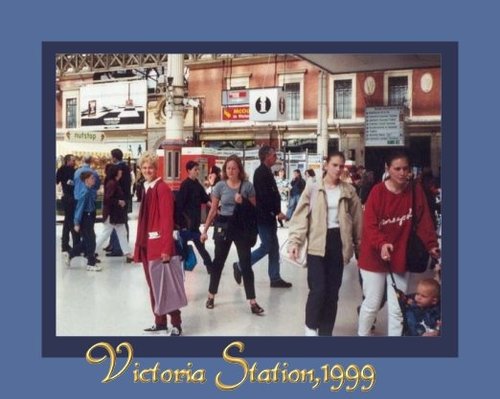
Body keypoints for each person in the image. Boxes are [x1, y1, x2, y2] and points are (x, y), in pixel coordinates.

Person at [357, 150, 440, 336]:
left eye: (406, 169)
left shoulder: (415, 190)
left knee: (397, 308)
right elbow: (369, 226)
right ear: (388, 169)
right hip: (373, 258)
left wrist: (431, 244)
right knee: (372, 303)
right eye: (397, 169)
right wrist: (382, 244)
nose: (403, 173)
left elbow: (424, 221)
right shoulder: (377, 192)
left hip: (400, 256)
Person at [287, 151, 363, 336]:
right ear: (326, 165)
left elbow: (357, 220)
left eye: (341, 166)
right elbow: (300, 217)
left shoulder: (349, 191)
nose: (338, 169)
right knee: (318, 289)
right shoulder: (313, 188)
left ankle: (326, 333)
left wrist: (359, 246)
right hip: (317, 243)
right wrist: (295, 242)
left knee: (332, 293)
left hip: (339, 243)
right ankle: (311, 328)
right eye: (334, 165)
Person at [201, 155, 264, 314]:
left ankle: (252, 301)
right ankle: (211, 295)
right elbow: (213, 210)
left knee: (246, 264)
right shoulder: (220, 186)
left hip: (241, 227)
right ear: (225, 170)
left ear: (239, 170)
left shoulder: (248, 186)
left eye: (234, 168)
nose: (231, 171)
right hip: (224, 225)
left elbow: (255, 210)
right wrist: (205, 230)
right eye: (228, 168)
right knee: (218, 262)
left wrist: (243, 200)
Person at [133, 151, 183, 336]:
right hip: (147, 244)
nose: (147, 170)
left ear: (156, 168)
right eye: (144, 168)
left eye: (150, 167)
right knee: (153, 285)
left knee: (166, 285)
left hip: (158, 246)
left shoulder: (162, 189)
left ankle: (176, 323)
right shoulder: (146, 187)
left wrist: (166, 248)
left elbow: (167, 221)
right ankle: (160, 321)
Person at [233, 146, 291, 288]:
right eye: (273, 154)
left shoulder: (267, 172)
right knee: (266, 246)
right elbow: (264, 197)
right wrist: (276, 212)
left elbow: (271, 195)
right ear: (266, 156)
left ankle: (275, 277)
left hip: (269, 216)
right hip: (264, 216)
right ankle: (241, 265)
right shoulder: (261, 173)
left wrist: (276, 211)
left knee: (274, 247)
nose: (275, 157)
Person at [175, 160, 213, 274]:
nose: (197, 172)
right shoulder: (185, 185)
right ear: (188, 171)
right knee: (188, 244)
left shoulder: (197, 184)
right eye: (195, 170)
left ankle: (208, 265)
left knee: (199, 244)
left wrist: (214, 207)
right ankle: (188, 264)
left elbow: (205, 198)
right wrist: (180, 222)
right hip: (186, 222)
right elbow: (179, 205)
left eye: (198, 170)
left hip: (194, 221)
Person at [95, 165, 134, 263]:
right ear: (116, 173)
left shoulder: (113, 183)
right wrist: (119, 202)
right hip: (113, 215)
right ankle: (91, 250)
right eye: (119, 171)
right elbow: (108, 199)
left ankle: (128, 253)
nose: (121, 172)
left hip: (114, 214)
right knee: (108, 234)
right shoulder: (113, 184)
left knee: (121, 233)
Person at [64, 171, 101, 271]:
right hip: (86, 218)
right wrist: (76, 222)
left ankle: (71, 254)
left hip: (89, 216)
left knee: (88, 240)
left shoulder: (89, 190)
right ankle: (91, 263)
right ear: (87, 180)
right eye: (92, 178)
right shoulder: (84, 193)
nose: (94, 179)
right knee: (91, 241)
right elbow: (79, 208)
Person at [106, 148, 132, 257]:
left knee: (118, 222)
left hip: (120, 199)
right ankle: (115, 245)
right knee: (119, 223)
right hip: (124, 198)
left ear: (115, 157)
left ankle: (117, 248)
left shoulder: (119, 168)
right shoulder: (126, 167)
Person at [56, 154, 78, 253]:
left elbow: (57, 181)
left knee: (67, 222)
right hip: (71, 199)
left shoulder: (60, 170)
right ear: (67, 161)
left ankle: (65, 244)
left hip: (66, 198)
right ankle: (76, 244)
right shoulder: (73, 171)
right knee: (72, 222)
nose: (74, 162)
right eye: (73, 160)